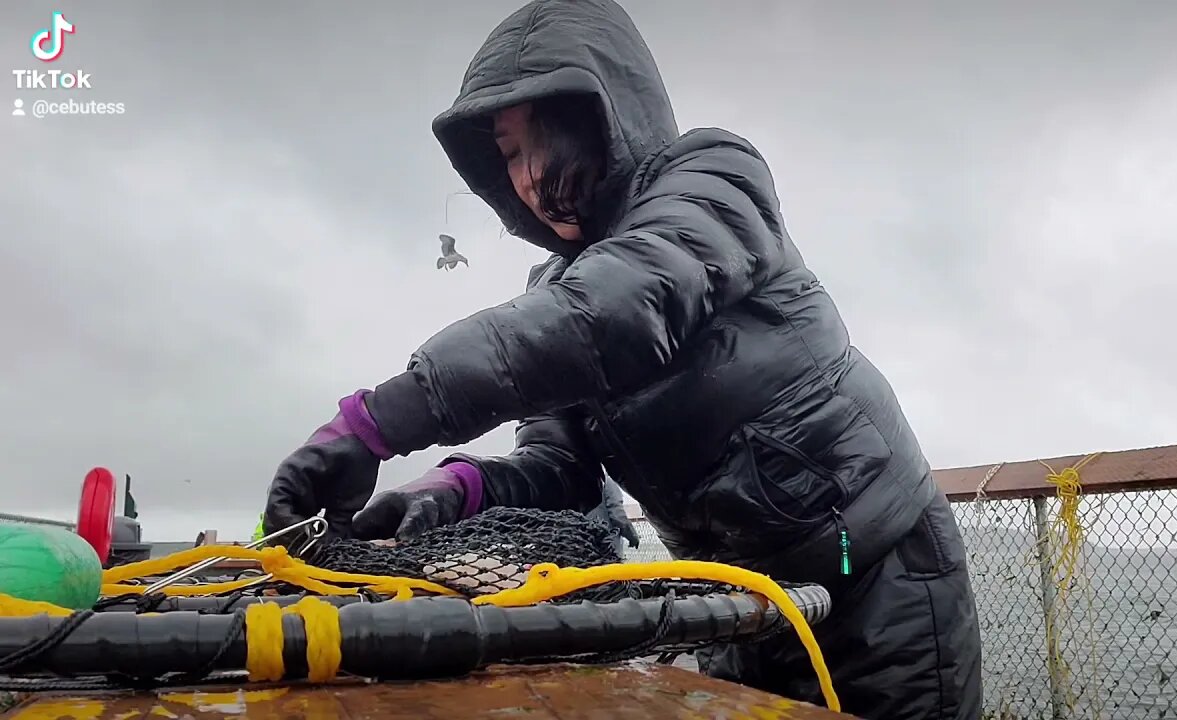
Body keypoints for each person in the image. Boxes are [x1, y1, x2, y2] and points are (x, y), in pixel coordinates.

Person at [262, 1, 981, 717]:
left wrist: (376, 422)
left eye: (525, 145)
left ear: (591, 119)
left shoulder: (712, 178)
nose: (518, 180)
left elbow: (615, 311)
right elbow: (562, 471)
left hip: (879, 585)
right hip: (741, 608)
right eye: (503, 158)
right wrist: (453, 489)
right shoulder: (552, 287)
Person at [586, 476, 640, 558]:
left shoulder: (572, 481)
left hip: (582, 544)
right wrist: (632, 536)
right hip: (606, 546)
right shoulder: (607, 482)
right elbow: (617, 515)